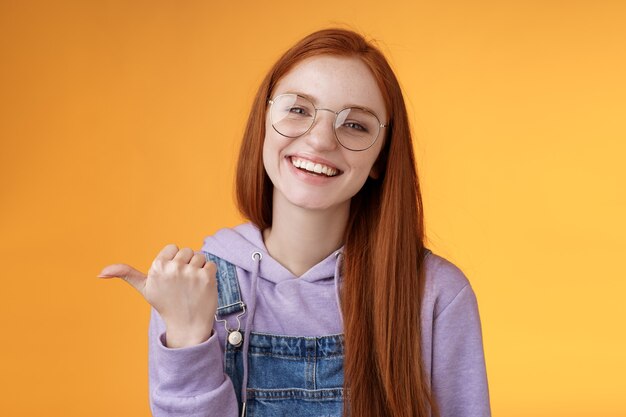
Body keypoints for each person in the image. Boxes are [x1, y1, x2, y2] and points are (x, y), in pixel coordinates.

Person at [99, 28, 491, 417]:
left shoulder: (435, 294)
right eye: (299, 109)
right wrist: (187, 338)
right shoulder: (192, 290)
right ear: (263, 123)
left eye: (356, 125)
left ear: (380, 161)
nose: (321, 140)